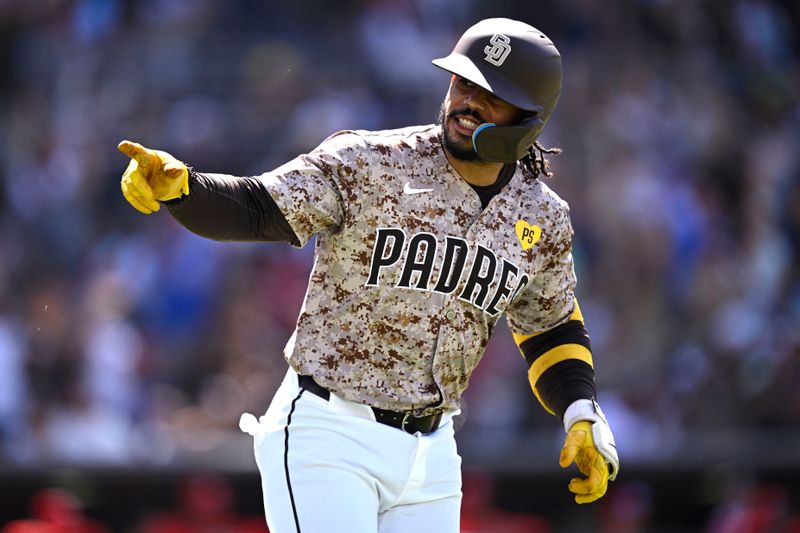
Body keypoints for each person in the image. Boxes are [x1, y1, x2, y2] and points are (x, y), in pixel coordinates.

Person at [117, 17, 619, 533]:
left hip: (433, 454)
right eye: (463, 81)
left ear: (529, 118)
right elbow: (258, 207)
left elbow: (549, 326)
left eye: (492, 95)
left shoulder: (542, 216)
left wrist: (581, 410)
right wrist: (185, 190)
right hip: (329, 432)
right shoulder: (371, 163)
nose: (469, 101)